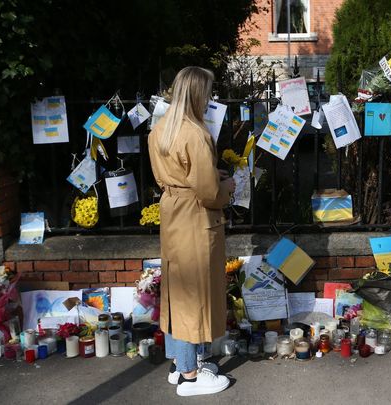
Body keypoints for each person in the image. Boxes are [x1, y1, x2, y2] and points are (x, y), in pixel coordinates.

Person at [148, 66, 236, 397]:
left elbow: (168, 177)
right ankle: (189, 375)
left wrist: (208, 175)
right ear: (198, 94)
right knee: (193, 293)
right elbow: (210, 193)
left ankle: (180, 363)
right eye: (208, 92)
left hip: (173, 211)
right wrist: (225, 184)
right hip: (196, 217)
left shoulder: (160, 130)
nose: (210, 98)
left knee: (178, 289)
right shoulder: (196, 133)